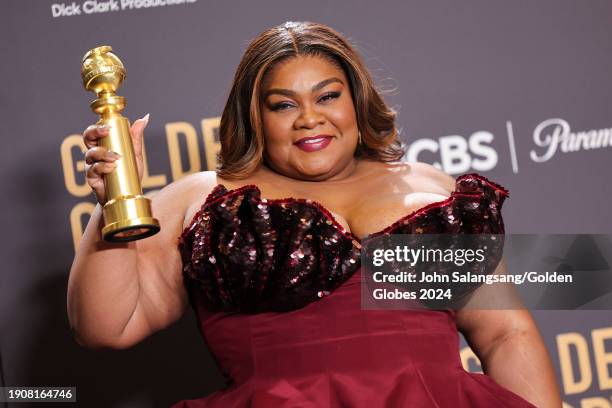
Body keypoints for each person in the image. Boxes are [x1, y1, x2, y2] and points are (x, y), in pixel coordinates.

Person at [68, 21, 562, 407]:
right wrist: (114, 200)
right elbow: (109, 327)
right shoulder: (201, 198)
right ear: (254, 117)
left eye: (328, 96)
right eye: (283, 105)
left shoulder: (430, 188)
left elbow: (504, 334)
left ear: (355, 99)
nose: (310, 118)